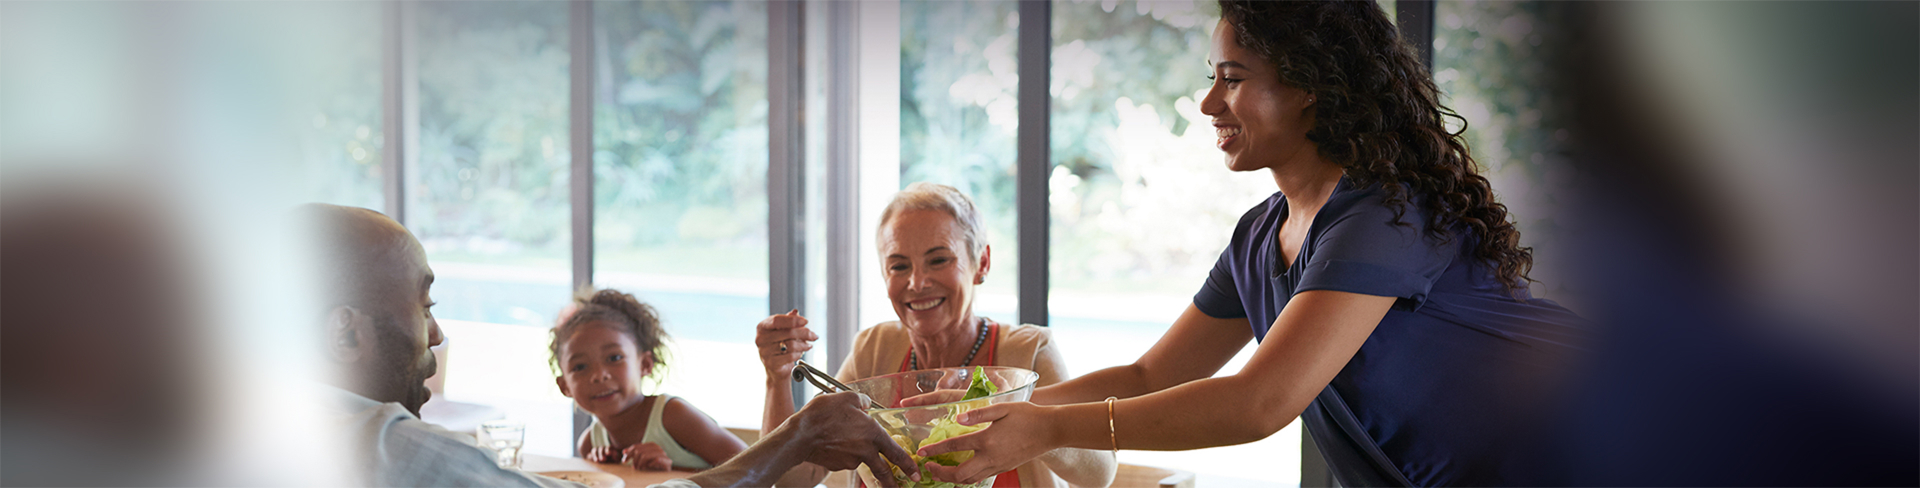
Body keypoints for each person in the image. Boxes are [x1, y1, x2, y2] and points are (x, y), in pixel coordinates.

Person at [912, 2, 1583, 486]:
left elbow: (1259, 403)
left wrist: (1051, 428)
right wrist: (994, 410)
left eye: (1231, 78)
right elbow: (1151, 377)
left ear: (1309, 91)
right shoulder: (1260, 236)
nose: (1208, 104)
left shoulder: (1386, 211)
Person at [303, 203, 920, 487]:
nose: (436, 333)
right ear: (346, 331)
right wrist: (798, 432)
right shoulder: (387, 450)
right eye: (424, 306)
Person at [755, 183, 1116, 488]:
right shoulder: (873, 350)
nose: (917, 283)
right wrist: (778, 377)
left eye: (939, 260)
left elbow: (1099, 474)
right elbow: (793, 478)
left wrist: (1033, 425)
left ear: (982, 263)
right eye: (899, 266)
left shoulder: (1028, 353)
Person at [551, 288, 746, 471]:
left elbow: (754, 469)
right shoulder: (590, 443)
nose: (599, 375)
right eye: (580, 367)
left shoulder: (673, 416)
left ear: (644, 364)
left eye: (614, 358)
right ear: (565, 386)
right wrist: (606, 472)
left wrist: (669, 471)